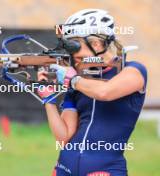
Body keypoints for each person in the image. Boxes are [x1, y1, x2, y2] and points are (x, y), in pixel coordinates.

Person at [38, 9, 147, 176]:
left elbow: (105, 92)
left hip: (105, 170)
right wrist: (49, 100)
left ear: (96, 44)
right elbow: (64, 138)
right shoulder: (79, 78)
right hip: (64, 167)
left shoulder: (134, 71)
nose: (71, 53)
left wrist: (73, 80)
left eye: (74, 45)